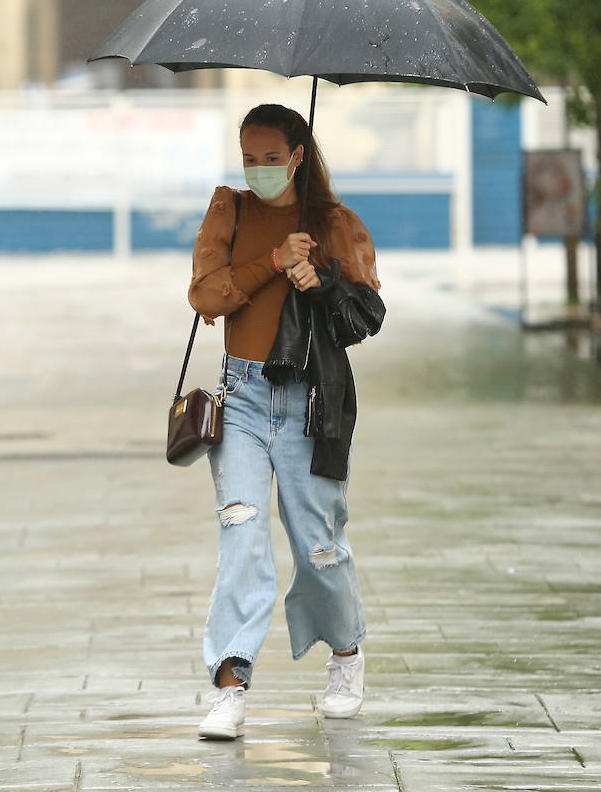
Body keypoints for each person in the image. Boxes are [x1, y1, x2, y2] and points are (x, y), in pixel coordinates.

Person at [188, 103, 381, 741]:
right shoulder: (230, 211)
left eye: (271, 158)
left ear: (297, 156)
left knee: (318, 546)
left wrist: (318, 276)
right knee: (241, 532)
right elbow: (205, 298)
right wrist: (272, 261)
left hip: (311, 401)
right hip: (240, 397)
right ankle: (230, 684)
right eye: (249, 156)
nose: (258, 168)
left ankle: (346, 656)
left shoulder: (333, 223)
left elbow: (367, 315)